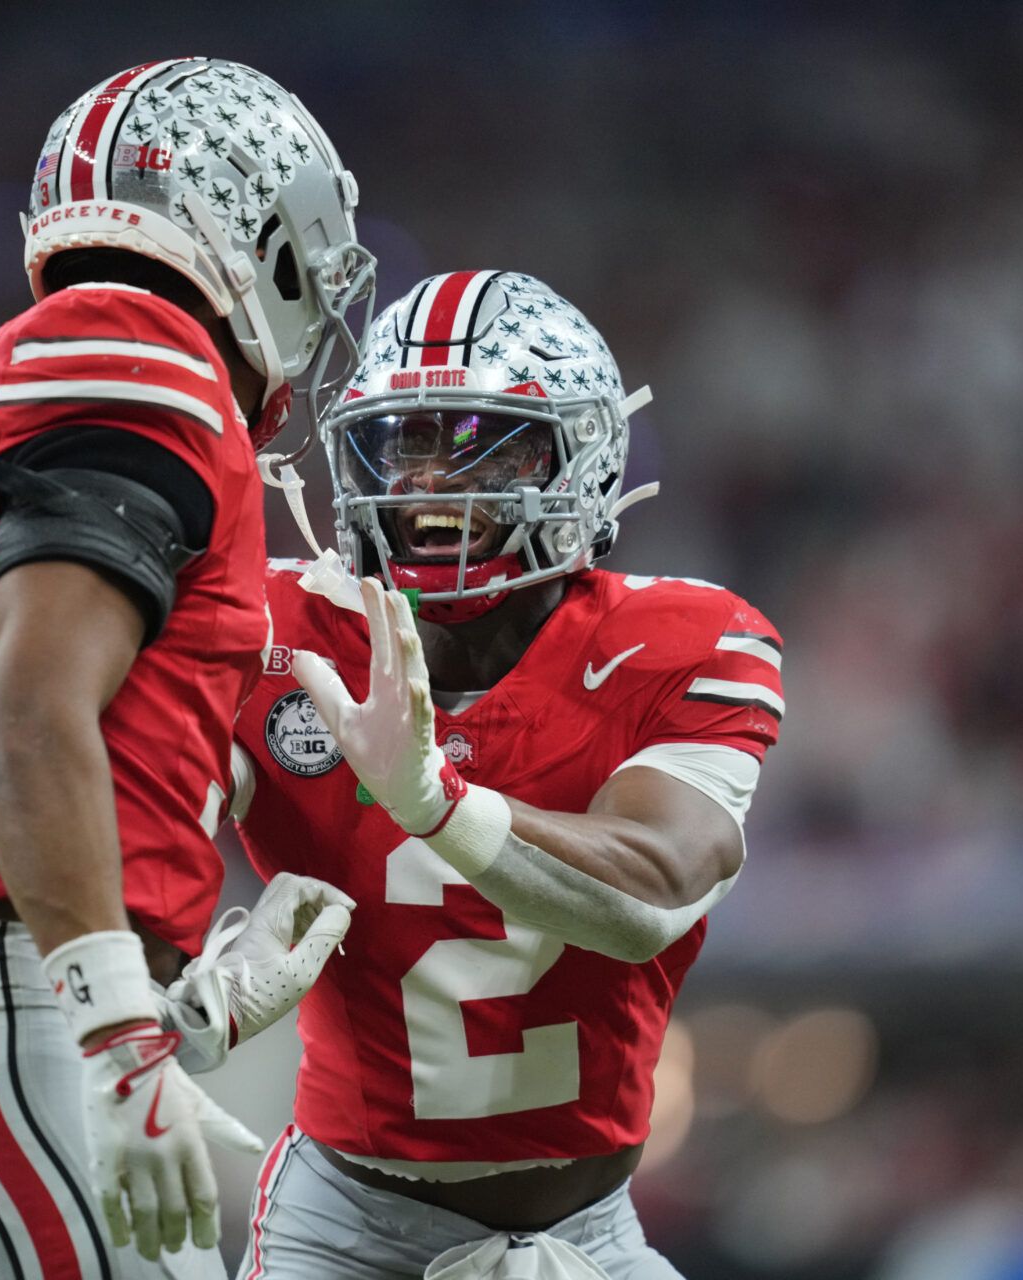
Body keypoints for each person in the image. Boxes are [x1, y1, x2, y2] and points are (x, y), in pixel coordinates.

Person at [0, 58, 375, 1278]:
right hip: (17, 1019)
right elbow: (26, 722)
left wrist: (172, 1005)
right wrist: (116, 1034)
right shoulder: (137, 343)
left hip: (0, 1012)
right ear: (260, 238)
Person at [228, 272, 784, 1278]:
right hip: (346, 1224)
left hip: (590, 1228)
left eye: (487, 438)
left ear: (581, 455)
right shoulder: (273, 634)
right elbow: (124, 809)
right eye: (409, 440)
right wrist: (167, 1002)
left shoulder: (682, 640)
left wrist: (437, 804)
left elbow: (651, 893)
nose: (435, 480)